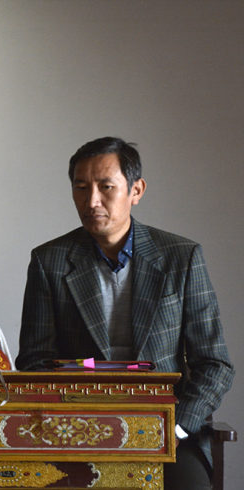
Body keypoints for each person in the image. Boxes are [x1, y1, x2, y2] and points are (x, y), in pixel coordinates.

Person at [16, 136, 234, 489]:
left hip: (167, 429)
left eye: (106, 187)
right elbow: (34, 361)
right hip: (78, 429)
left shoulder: (181, 257)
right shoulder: (49, 261)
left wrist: (175, 428)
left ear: (136, 190)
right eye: (81, 188)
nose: (92, 201)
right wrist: (75, 424)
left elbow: (215, 364)